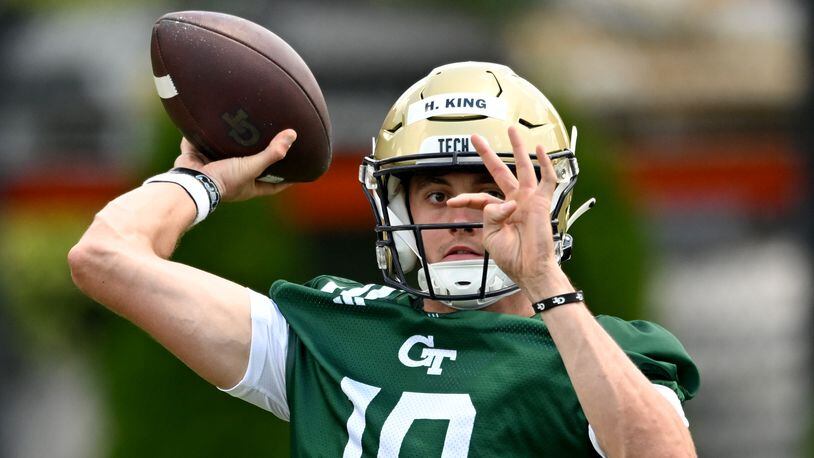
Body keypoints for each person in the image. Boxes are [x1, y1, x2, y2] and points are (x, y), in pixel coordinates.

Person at [69, 62, 699, 457]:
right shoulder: (330, 334)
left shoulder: (604, 354)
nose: (462, 213)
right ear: (395, 208)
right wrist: (198, 180)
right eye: (435, 193)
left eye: (491, 190)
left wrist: (543, 279)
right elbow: (104, 257)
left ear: (545, 202)